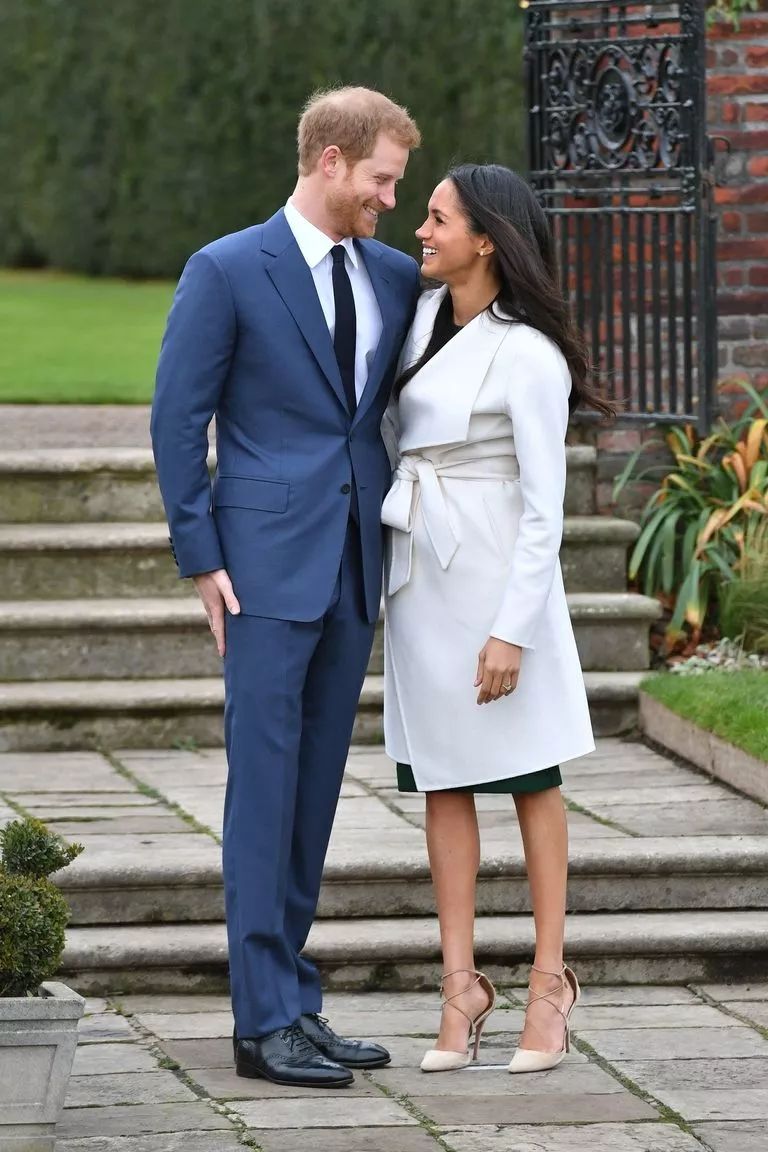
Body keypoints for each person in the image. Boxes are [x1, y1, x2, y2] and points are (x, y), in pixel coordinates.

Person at [151, 87, 421, 1088]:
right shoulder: (225, 270)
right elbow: (178, 419)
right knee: (263, 791)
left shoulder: (394, 276)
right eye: (384, 180)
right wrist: (200, 554)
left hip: (354, 562)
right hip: (260, 573)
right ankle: (261, 1022)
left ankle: (296, 1004)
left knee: (312, 795)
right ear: (335, 161)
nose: (391, 201)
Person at [381, 164, 613, 1075]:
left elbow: (544, 510)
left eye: (437, 219)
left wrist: (512, 628)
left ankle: (550, 984)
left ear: (488, 240)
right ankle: (460, 986)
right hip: (421, 579)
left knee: (529, 778)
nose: (421, 232)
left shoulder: (529, 354)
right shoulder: (418, 324)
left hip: (495, 581)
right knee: (440, 780)